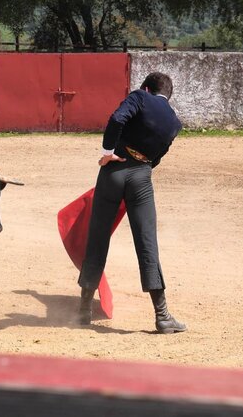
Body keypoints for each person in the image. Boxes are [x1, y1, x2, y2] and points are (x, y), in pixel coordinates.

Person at [77, 72, 186, 334]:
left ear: (146, 88)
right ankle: (162, 316)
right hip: (141, 177)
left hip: (113, 172)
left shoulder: (139, 97)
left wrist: (108, 153)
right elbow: (158, 156)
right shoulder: (174, 122)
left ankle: (83, 311)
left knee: (98, 237)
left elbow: (117, 119)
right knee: (147, 242)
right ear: (167, 95)